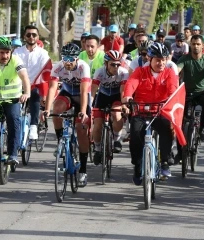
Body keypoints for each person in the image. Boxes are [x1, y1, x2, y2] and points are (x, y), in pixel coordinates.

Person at [122, 43, 178, 185]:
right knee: (135, 136)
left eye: (164, 59)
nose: (161, 63)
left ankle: (164, 161)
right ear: (150, 59)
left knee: (167, 129)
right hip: (140, 110)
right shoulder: (140, 71)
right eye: (158, 60)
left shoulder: (169, 72)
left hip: (160, 110)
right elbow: (130, 85)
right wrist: (128, 97)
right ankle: (137, 165)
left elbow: (173, 89)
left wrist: (171, 100)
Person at [42, 43, 91, 186]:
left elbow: (83, 92)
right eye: (65, 58)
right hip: (67, 93)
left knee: (81, 130)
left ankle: (83, 169)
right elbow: (52, 88)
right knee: (56, 109)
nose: (68, 62)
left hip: (82, 96)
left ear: (77, 58)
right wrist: (46, 108)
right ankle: (60, 142)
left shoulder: (83, 67)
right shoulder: (58, 66)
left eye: (71, 58)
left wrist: (82, 111)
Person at [174, 34, 204, 163]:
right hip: (186, 92)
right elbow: (177, 70)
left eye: (198, 44)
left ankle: (201, 129)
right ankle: (180, 153)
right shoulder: (184, 59)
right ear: (190, 45)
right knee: (180, 123)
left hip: (203, 91)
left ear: (203, 46)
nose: (196, 46)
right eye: (193, 44)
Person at [13, 25, 51, 140]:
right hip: (18, 86)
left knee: (35, 95)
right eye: (28, 34)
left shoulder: (43, 53)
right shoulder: (17, 52)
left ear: (38, 37)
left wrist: (44, 95)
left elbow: (45, 74)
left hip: (35, 85)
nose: (31, 37)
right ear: (24, 36)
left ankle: (34, 125)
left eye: (34, 35)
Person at [91, 50, 129, 164]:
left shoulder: (123, 73)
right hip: (102, 96)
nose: (116, 67)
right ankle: (97, 149)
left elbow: (123, 91)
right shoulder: (99, 72)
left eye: (118, 64)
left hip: (117, 96)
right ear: (106, 63)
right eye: (113, 64)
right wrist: (88, 106)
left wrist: (124, 105)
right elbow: (93, 91)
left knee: (117, 114)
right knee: (97, 124)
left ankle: (117, 139)